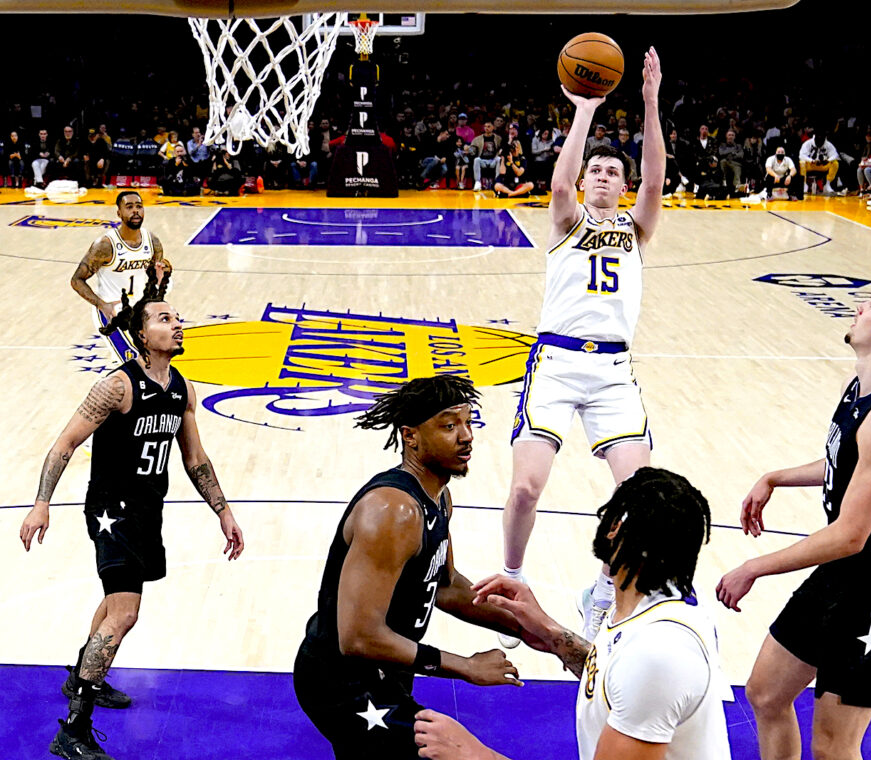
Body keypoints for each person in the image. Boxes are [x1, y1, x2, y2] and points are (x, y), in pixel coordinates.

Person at [716, 270, 871, 760]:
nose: (859, 307)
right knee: (765, 692)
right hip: (844, 574)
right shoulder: (861, 388)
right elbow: (846, 462)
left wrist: (754, 566)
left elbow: (849, 535)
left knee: (833, 746)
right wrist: (776, 476)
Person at [20, 270, 245, 760]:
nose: (178, 325)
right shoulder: (118, 387)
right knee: (125, 613)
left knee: (113, 606)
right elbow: (65, 443)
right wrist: (42, 502)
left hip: (149, 510)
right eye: (165, 318)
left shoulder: (180, 388)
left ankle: (84, 674)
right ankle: (73, 729)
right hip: (111, 511)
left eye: (179, 318)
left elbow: (196, 460)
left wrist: (223, 512)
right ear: (142, 334)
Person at [501, 47, 664, 645]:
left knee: (637, 493)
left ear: (623, 186)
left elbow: (655, 176)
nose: (602, 176)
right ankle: (511, 580)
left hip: (614, 371)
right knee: (526, 486)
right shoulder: (568, 220)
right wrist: (584, 111)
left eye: (611, 172)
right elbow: (561, 178)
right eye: (597, 170)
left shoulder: (636, 228)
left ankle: (601, 587)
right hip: (557, 361)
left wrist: (648, 101)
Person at [414, 467, 732, 760]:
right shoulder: (658, 595)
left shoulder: (657, 655)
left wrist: (478, 755)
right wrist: (554, 636)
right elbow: (612, 677)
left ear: (617, 531)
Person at [292, 375, 531, 760]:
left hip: (385, 669)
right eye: (449, 425)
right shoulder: (394, 511)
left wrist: (532, 628)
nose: (467, 436)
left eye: (469, 423)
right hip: (342, 680)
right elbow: (358, 638)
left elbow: (448, 586)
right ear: (411, 436)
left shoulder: (439, 498)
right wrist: (465, 666)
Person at [71, 191, 169, 362]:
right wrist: (102, 305)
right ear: (119, 213)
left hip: (141, 313)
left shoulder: (152, 241)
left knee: (149, 366)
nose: (135, 211)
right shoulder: (105, 245)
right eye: (129, 207)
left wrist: (165, 274)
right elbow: (76, 280)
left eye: (139, 206)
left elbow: (155, 279)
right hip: (113, 314)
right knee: (134, 365)